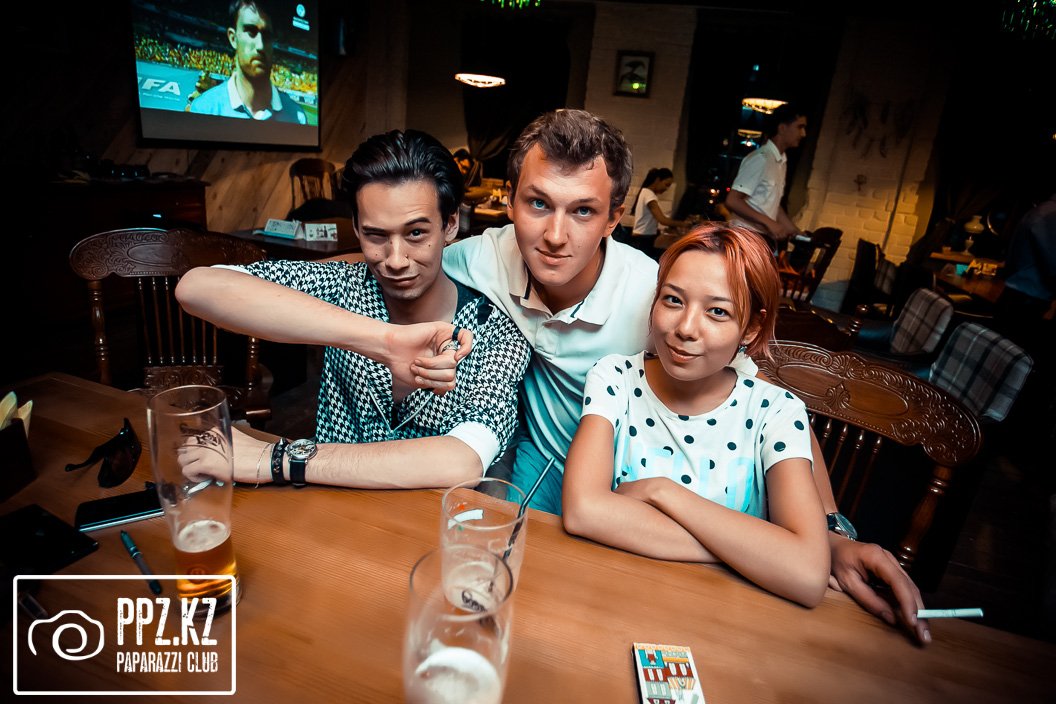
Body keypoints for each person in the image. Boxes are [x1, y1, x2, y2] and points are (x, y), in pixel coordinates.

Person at [441, 108, 930, 642]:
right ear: (510, 200)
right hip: (554, 472)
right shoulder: (477, 259)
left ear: (614, 217)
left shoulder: (661, 297)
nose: (555, 235)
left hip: (629, 485)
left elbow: (768, 403)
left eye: (583, 210)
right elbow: (395, 263)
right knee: (498, 603)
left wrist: (830, 532)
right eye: (538, 203)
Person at [175, 129, 530, 488]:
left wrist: (279, 458)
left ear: (450, 224)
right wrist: (383, 341)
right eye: (376, 235)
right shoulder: (345, 283)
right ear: (357, 229)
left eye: (416, 234)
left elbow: (463, 460)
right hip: (321, 505)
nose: (395, 260)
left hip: (426, 518)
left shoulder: (495, 329)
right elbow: (196, 288)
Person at [562, 225, 829, 606]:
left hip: (725, 615)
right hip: (612, 597)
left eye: (717, 311)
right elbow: (583, 511)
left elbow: (806, 572)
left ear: (751, 327)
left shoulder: (776, 412)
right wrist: (751, 552)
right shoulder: (615, 378)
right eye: (673, 300)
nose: (686, 329)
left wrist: (661, 491)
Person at [189, 1, 307, 124]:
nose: (260, 46)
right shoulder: (204, 109)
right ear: (233, 38)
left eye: (267, 35)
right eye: (251, 32)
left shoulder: (298, 118)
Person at [724, 103, 806, 251]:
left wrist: (794, 231)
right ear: (782, 128)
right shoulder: (761, 158)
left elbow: (772, 204)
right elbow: (733, 200)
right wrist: (769, 222)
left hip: (759, 239)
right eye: (800, 127)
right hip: (744, 237)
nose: (803, 134)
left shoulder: (781, 161)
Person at [630, 168, 689, 257]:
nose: (666, 188)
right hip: (642, 240)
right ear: (658, 180)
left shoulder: (646, 192)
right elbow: (662, 220)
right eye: (666, 184)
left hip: (641, 238)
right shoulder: (649, 195)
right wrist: (683, 224)